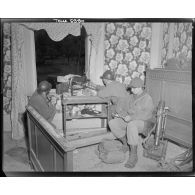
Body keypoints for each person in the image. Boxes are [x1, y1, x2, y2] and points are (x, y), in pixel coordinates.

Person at [108, 77, 154, 168]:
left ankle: (133, 155)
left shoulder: (147, 98)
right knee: (113, 123)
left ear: (140, 87)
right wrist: (121, 114)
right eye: (131, 88)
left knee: (131, 125)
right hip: (131, 121)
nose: (131, 90)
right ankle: (126, 144)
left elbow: (147, 115)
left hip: (144, 123)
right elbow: (125, 109)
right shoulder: (130, 97)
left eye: (134, 88)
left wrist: (131, 117)